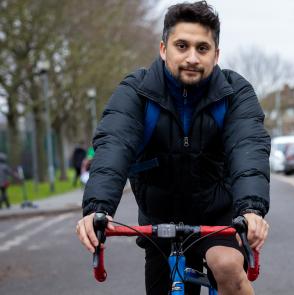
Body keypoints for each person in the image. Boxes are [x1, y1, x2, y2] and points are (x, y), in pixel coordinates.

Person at [75, 2, 270, 295]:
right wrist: (97, 209)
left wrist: (252, 209)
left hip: (217, 216)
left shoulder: (235, 93)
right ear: (164, 49)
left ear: (216, 55)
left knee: (226, 266)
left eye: (202, 48)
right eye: (182, 46)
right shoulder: (136, 92)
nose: (192, 57)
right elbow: (114, 145)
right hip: (160, 220)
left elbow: (248, 148)